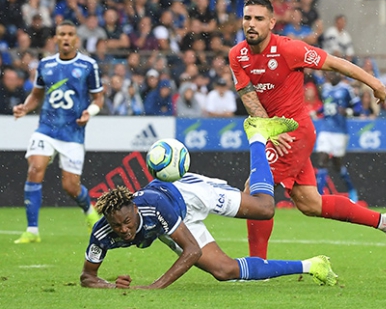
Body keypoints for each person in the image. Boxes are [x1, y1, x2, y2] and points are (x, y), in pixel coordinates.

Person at [228, 0, 386, 259]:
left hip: (295, 132)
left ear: (271, 23)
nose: (251, 24)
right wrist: (269, 128)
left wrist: (374, 83)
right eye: (247, 18)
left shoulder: (290, 49)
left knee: (256, 195)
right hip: (275, 133)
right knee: (310, 203)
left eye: (258, 19)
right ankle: (385, 222)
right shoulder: (237, 54)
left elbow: (336, 63)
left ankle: (257, 266)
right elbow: (247, 94)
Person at [80, 117, 339, 289]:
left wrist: (155, 286)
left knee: (264, 208)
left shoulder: (153, 207)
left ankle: (258, 135)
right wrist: (113, 286)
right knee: (224, 271)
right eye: (117, 226)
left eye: (127, 222)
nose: (123, 230)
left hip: (187, 194)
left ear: (135, 210)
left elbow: (191, 251)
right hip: (177, 219)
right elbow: (87, 277)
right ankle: (313, 265)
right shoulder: (102, 232)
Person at [12, 20, 103, 244]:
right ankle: (32, 230)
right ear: (55, 38)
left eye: (70, 34)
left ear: (76, 39)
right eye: (61, 34)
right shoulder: (45, 65)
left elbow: (99, 98)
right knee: (35, 168)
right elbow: (36, 95)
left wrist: (89, 112)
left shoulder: (88, 66)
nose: (65, 38)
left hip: (72, 133)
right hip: (46, 129)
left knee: (70, 186)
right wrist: (25, 106)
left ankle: (88, 208)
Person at [313, 71, 362, 203]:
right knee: (322, 160)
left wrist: (348, 111)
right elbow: (327, 106)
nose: (330, 76)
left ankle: (351, 189)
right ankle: (318, 195)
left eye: (333, 73)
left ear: (339, 75)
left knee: (337, 164)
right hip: (325, 130)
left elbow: (358, 107)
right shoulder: (326, 89)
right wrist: (317, 112)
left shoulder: (346, 89)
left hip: (340, 132)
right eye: (329, 73)